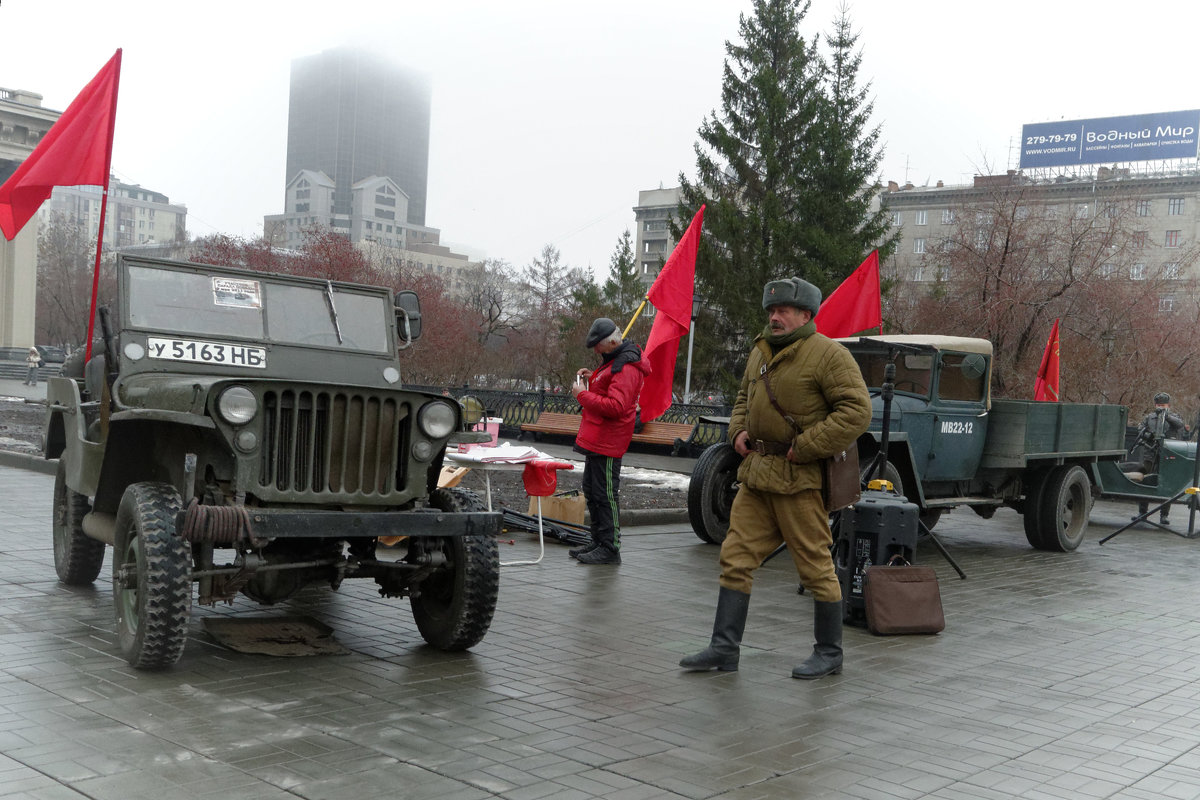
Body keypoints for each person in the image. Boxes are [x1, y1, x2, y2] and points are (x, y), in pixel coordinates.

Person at [680, 277, 871, 679]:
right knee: (734, 559)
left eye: (783, 310)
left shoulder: (827, 355)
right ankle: (724, 648)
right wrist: (737, 432)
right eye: (771, 310)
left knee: (816, 567)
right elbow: (742, 399)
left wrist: (805, 447)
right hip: (756, 477)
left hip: (799, 481)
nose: (775, 316)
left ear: (806, 315)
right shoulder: (761, 351)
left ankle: (829, 652)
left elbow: (856, 412)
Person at [568, 317, 650, 565]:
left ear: (612, 342)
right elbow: (609, 388)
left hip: (608, 441)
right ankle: (599, 540)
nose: (595, 350)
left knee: (605, 495)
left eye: (598, 345)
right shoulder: (616, 361)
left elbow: (615, 406)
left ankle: (610, 547)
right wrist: (592, 378)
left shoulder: (626, 367)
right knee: (593, 491)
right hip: (599, 439)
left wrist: (582, 394)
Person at [1135, 392, 1189, 524]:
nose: (1160, 407)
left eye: (1163, 405)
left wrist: (1166, 416)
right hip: (1150, 454)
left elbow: (1180, 425)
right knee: (1145, 481)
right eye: (1158, 405)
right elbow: (1140, 428)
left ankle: (1164, 515)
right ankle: (1142, 512)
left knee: (1166, 484)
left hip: (1167, 457)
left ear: (1168, 405)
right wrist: (1147, 435)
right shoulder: (1149, 417)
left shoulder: (1173, 417)